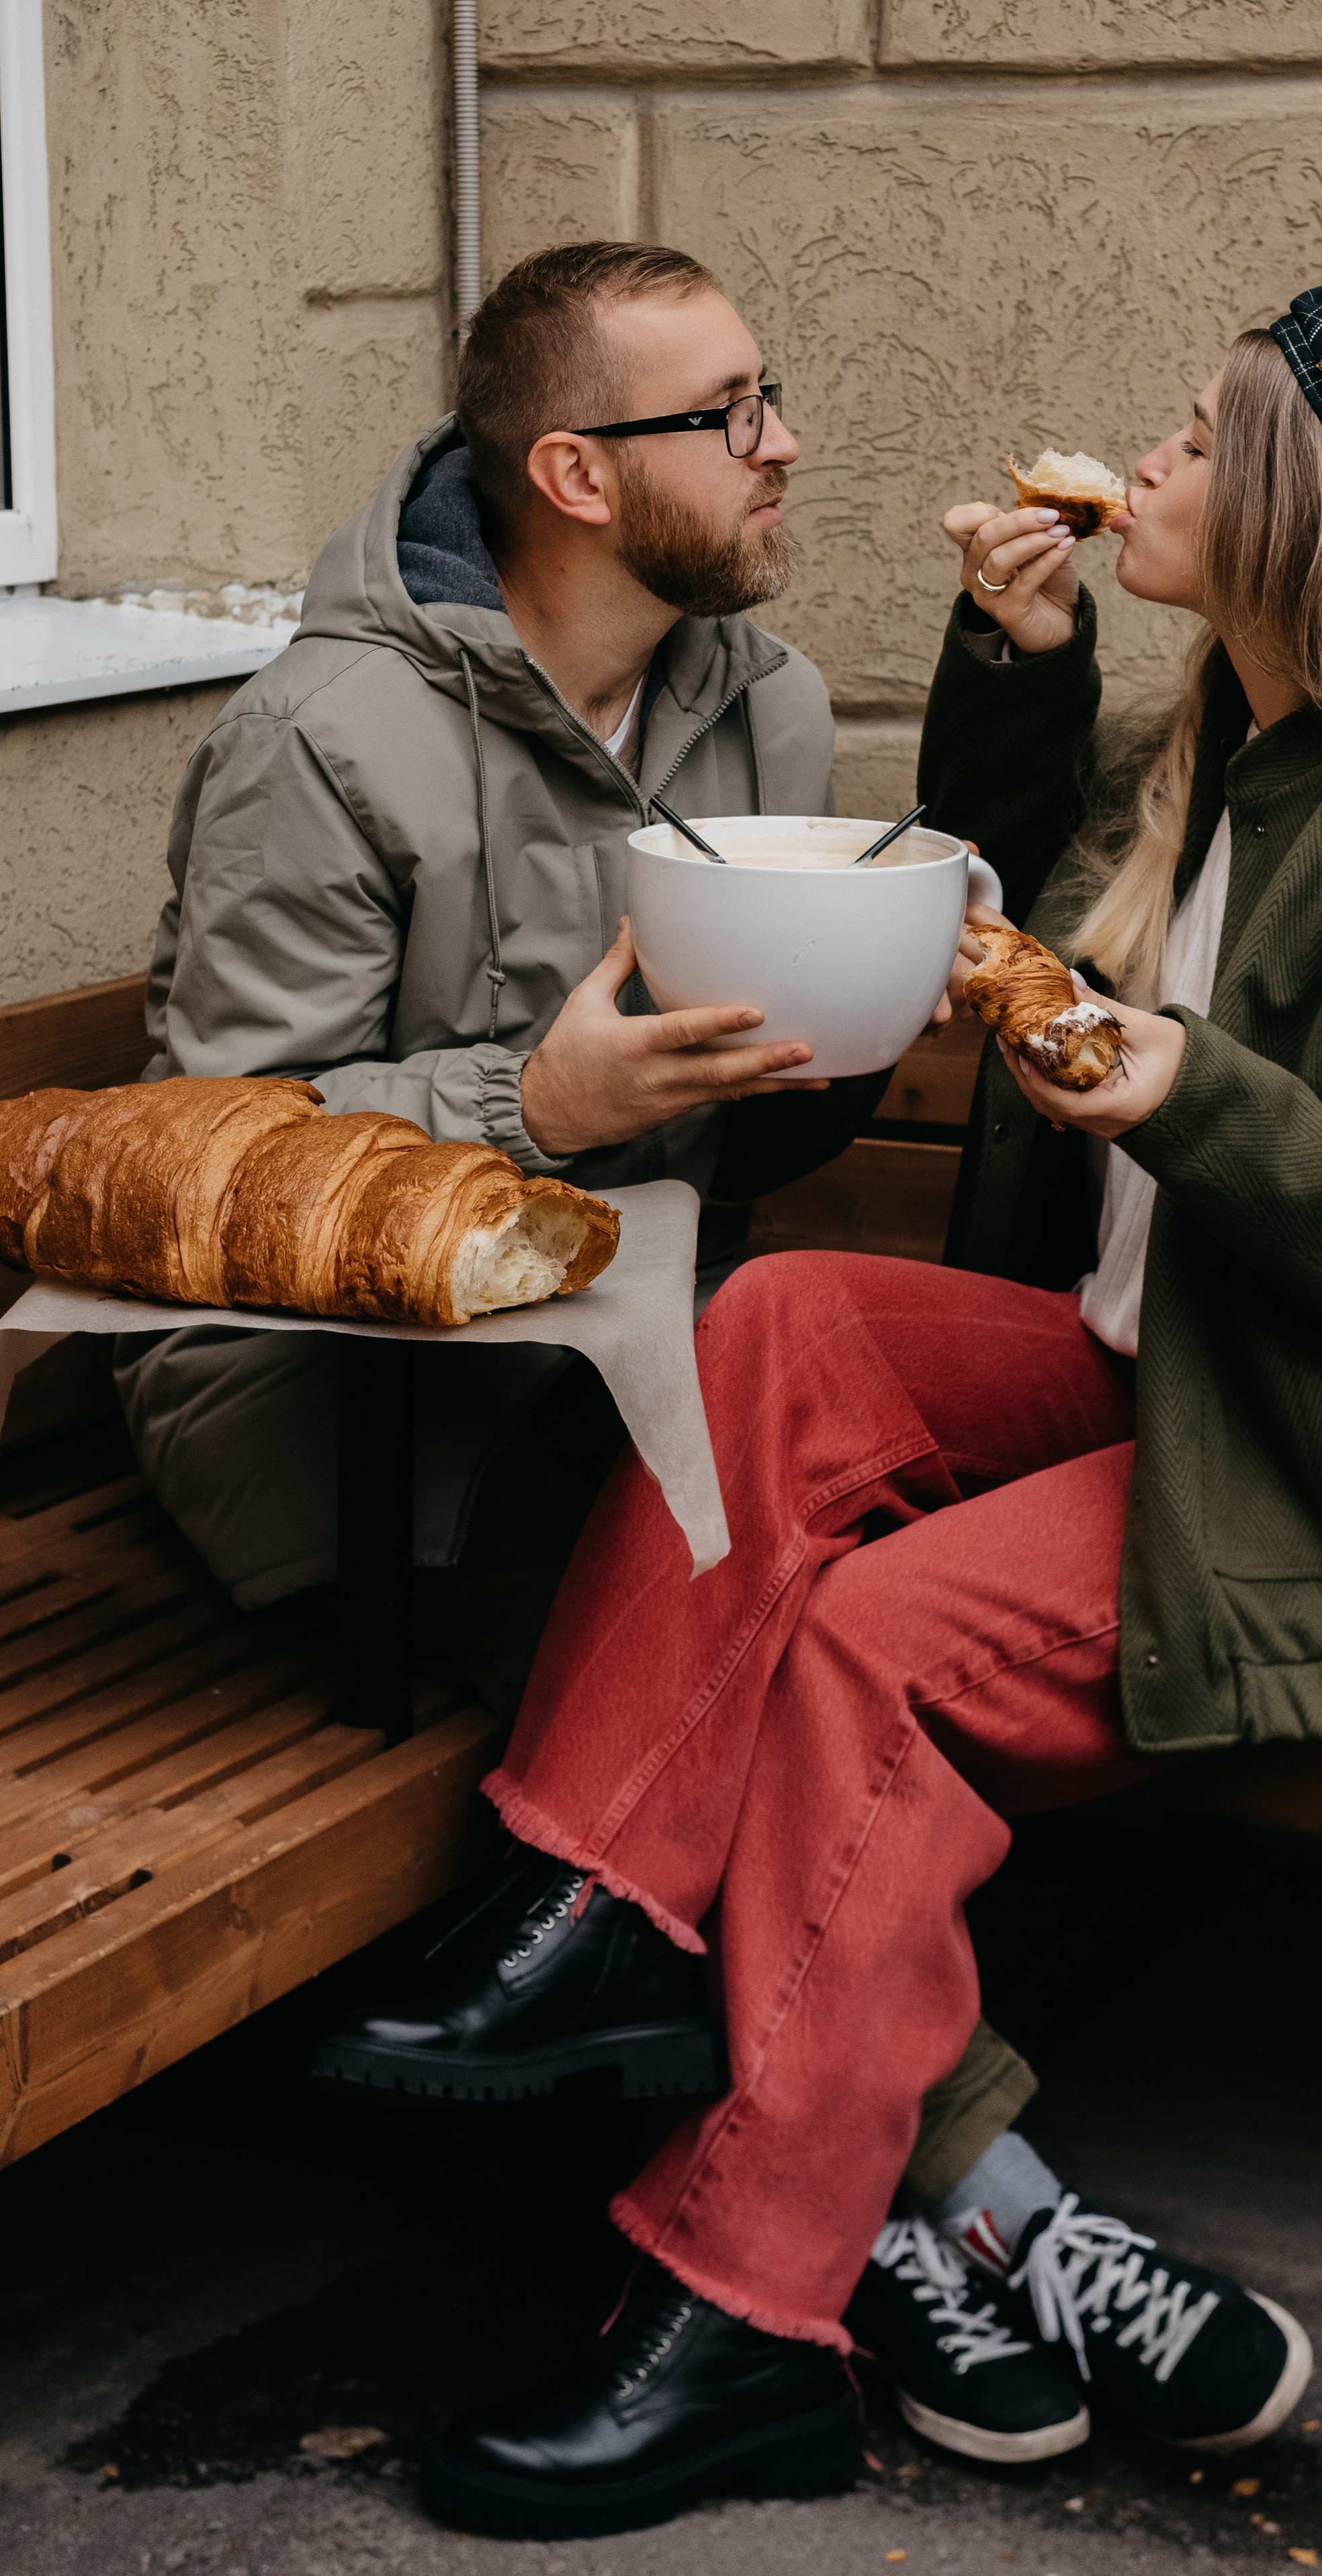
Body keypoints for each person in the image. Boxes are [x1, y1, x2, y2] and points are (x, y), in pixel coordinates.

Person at [336, 284, 1322, 2542]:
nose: (1139, 462)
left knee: (866, 1647)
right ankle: (597, 1916)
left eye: (1191, 439)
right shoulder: (1242, 756)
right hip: (1182, 1377)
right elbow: (1006, 913)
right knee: (774, 1337)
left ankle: (744, 2316)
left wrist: (1185, 1081)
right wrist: (1023, 659)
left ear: (1294, 520)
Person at [117, 240, 890, 1721]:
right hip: (345, 1393)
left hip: (627, 1323)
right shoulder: (323, 740)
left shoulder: (761, 699)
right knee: (758, 1683)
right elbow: (214, 1157)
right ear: (577, 479)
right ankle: (562, 1954)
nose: (778, 444)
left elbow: (742, 1134)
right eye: (724, 412)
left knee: (916, 1588)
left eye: (767, 396)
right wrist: (531, 1103)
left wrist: (844, 1026)